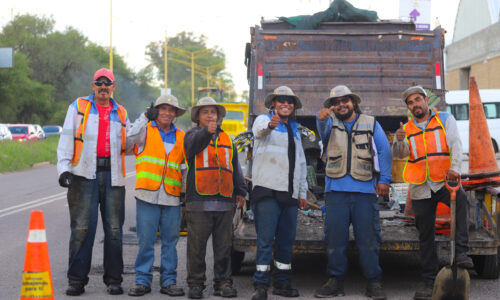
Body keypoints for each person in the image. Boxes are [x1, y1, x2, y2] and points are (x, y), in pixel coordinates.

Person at [393, 86, 473, 300]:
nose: (415, 105)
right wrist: (399, 140)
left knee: (462, 202)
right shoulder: (405, 128)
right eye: (410, 103)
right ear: (408, 108)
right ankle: (429, 281)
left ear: (426, 100)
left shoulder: (445, 119)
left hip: (445, 180)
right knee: (425, 235)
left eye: (417, 100)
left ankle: (462, 252)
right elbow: (400, 155)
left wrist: (456, 168)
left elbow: (455, 144)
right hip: (420, 186)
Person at [57, 68, 131, 296]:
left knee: (115, 231)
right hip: (83, 175)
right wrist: (64, 168)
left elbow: (129, 143)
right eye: (99, 83)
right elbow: (67, 137)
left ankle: (114, 280)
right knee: (81, 229)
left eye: (107, 83)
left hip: (113, 176)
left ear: (113, 87)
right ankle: (77, 281)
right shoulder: (78, 107)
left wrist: (144, 123)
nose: (103, 87)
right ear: (93, 86)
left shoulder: (121, 112)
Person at [314, 85, 392, 300]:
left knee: (369, 239)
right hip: (335, 192)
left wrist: (384, 179)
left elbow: (384, 150)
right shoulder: (329, 123)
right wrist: (320, 119)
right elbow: (322, 128)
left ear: (353, 102)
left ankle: (374, 282)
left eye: (345, 100)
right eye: (336, 102)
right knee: (334, 239)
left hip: (365, 192)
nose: (341, 105)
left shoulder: (371, 122)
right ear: (331, 107)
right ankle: (335, 281)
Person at [183, 97, 247, 299]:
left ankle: (223, 283)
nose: (210, 115)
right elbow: (191, 148)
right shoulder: (192, 135)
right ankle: (195, 284)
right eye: (205, 112)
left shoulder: (228, 139)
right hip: (198, 201)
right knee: (196, 248)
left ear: (218, 117)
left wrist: (241, 191)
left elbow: (235, 167)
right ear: (198, 117)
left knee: (223, 248)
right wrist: (206, 133)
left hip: (225, 203)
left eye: (213, 112)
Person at [250, 86, 308, 300]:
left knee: (286, 242)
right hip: (266, 191)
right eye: (281, 100)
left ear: (293, 107)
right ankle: (261, 286)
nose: (286, 104)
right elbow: (260, 131)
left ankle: (282, 284)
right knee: (265, 241)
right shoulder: (262, 120)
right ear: (273, 104)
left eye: (289, 101)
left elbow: (301, 163)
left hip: (289, 194)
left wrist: (302, 193)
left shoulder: (295, 129)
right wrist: (270, 124)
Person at [127, 94, 187, 297]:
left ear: (176, 114)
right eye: (163, 109)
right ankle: (142, 281)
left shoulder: (181, 136)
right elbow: (128, 138)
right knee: (146, 241)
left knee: (170, 242)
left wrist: (185, 195)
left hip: (171, 197)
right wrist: (145, 116)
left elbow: (184, 167)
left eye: (172, 110)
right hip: (147, 195)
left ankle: (168, 281)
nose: (167, 113)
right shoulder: (145, 130)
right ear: (156, 110)